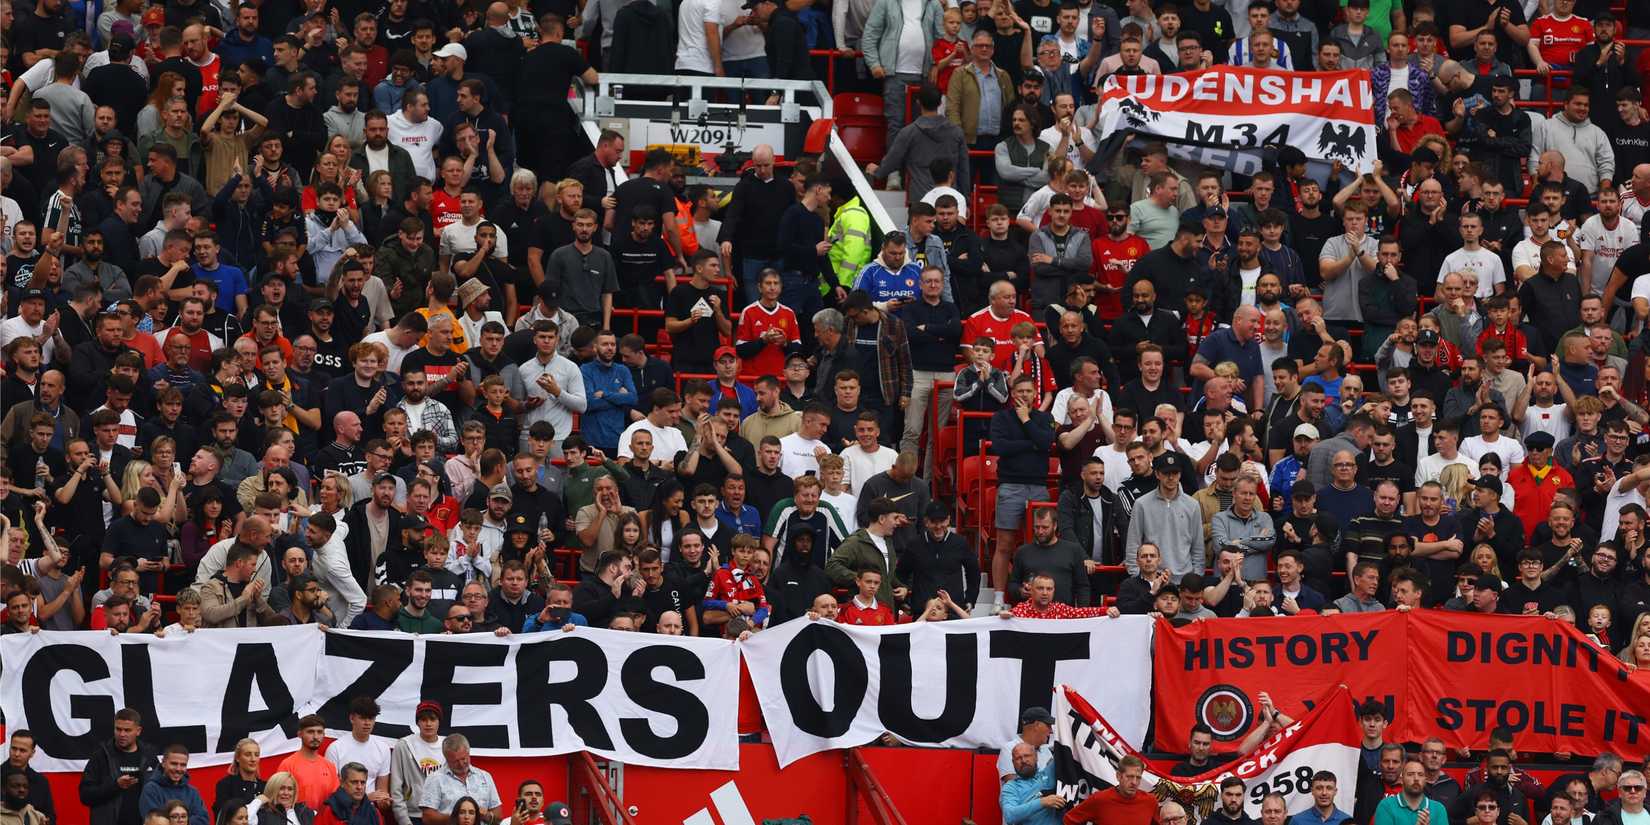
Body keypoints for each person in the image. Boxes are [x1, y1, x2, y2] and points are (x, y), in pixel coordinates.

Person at [78, 708, 158, 825]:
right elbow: (85, 795)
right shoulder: (100, 756)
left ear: (138, 731)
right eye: (118, 729)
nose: (122, 734)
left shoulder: (149, 756)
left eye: (127, 730)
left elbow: (162, 789)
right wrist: (116, 786)